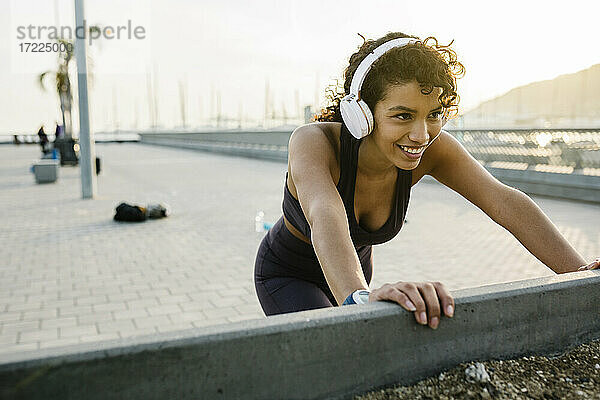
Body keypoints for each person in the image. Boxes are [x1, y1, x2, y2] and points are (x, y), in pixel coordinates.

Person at [253, 32, 599, 330]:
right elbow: (325, 214)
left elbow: (503, 201)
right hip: (289, 274)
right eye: (403, 115)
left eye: (434, 115)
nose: (421, 135)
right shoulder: (313, 142)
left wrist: (583, 273)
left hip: (353, 275)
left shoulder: (433, 148)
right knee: (334, 358)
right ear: (361, 113)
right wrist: (359, 297)